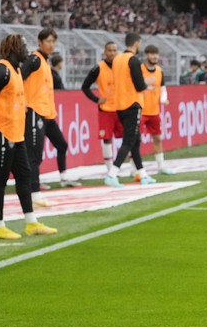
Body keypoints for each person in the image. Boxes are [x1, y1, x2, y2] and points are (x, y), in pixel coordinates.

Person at [0, 33, 57, 241]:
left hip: (17, 133)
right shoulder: (3, 71)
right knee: (0, 179)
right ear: (14, 48)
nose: (27, 50)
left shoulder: (15, 71)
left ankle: (31, 222)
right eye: (23, 46)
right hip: (2, 132)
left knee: (25, 175)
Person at [21, 28, 76, 202]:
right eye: (48, 41)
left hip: (46, 114)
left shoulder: (45, 62)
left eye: (53, 41)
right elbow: (18, 78)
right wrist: (22, 102)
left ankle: (63, 177)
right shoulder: (34, 59)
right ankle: (34, 193)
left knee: (61, 144)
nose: (51, 45)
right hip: (34, 111)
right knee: (34, 154)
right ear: (39, 42)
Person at [104, 33, 156, 188]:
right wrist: (147, 84)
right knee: (129, 141)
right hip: (132, 103)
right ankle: (112, 174)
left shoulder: (117, 59)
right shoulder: (133, 60)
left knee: (135, 140)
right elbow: (139, 85)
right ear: (136, 43)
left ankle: (142, 174)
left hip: (120, 104)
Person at [81, 41, 123, 173]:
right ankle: (110, 169)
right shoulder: (98, 68)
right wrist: (96, 99)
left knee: (127, 137)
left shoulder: (122, 67)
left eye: (114, 50)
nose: (112, 53)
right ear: (104, 52)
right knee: (107, 138)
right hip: (106, 109)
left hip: (122, 108)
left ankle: (133, 168)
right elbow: (85, 86)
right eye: (109, 50)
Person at [140, 44, 174, 176]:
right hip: (141, 110)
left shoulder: (159, 71)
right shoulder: (140, 69)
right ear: (146, 55)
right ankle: (134, 168)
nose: (154, 56)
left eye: (156, 54)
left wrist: (163, 99)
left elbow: (163, 88)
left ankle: (161, 166)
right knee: (136, 140)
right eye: (151, 54)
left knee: (158, 138)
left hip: (154, 111)